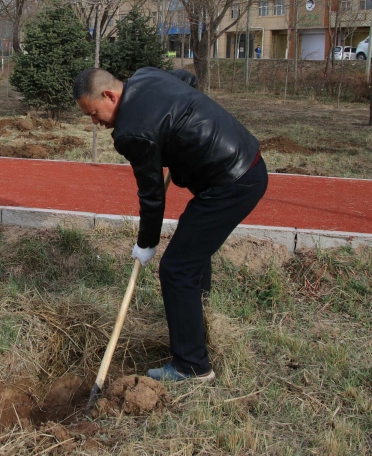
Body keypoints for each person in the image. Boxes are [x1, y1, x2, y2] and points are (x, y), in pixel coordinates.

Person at [73, 67, 268, 382]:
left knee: (177, 268)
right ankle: (197, 315)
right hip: (246, 161)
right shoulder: (146, 75)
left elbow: (151, 196)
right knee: (192, 244)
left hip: (232, 182)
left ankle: (192, 366)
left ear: (109, 95)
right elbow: (187, 79)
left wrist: (146, 243)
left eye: (94, 114)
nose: (95, 123)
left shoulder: (132, 130)